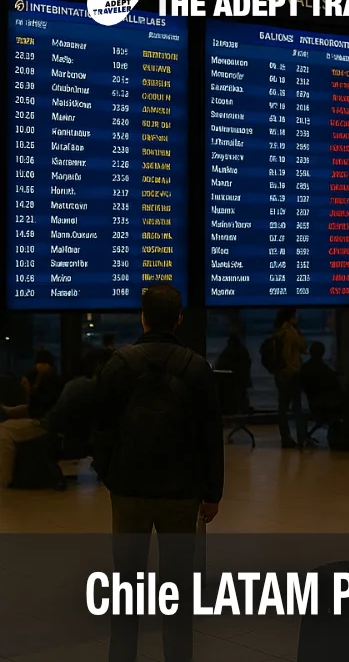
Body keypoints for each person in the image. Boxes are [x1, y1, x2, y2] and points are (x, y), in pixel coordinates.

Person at [91, 283, 222, 662]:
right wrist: (212, 493)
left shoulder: (119, 364)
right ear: (179, 319)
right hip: (181, 494)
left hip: (129, 490)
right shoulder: (196, 367)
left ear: (143, 317)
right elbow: (211, 436)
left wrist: (109, 476)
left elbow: (101, 428)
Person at [0, 351, 69, 489]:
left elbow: (35, 410)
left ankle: (3, 478)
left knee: (3, 434)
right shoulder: (54, 383)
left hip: (44, 425)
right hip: (45, 424)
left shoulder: (48, 383)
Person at [268, 308, 307, 448]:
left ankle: (286, 438)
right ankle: (302, 438)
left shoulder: (278, 333)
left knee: (283, 408)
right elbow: (303, 347)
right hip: (291, 374)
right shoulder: (290, 333)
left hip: (280, 375)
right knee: (297, 408)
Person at [214, 333, 252, 412]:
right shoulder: (242, 350)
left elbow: (219, 365)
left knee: (238, 398)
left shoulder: (227, 351)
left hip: (232, 380)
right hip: (241, 379)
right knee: (242, 397)